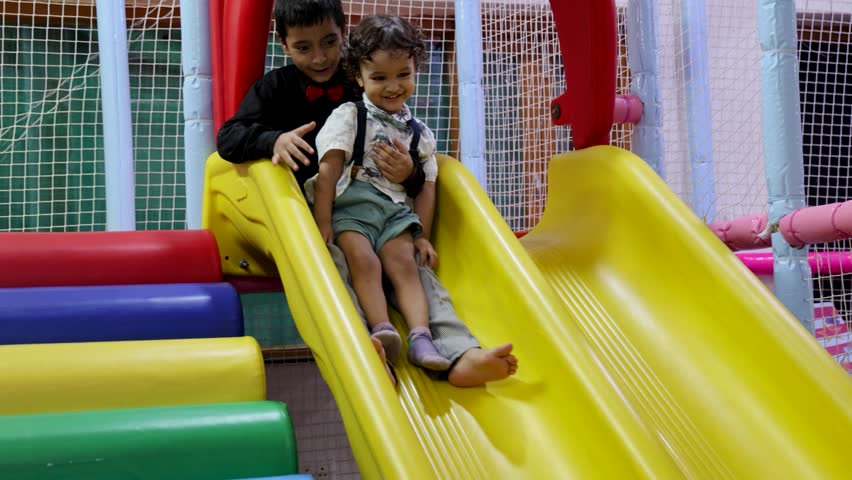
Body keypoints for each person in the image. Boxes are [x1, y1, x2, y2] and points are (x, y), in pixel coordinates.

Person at [218, 0, 517, 386]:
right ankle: (366, 345)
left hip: (383, 205)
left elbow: (418, 168)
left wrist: (411, 177)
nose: (321, 57)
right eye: (304, 47)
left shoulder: (368, 77)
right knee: (336, 265)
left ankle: (460, 352)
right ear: (283, 44)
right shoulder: (276, 87)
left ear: (345, 34)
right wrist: (273, 140)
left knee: (419, 273)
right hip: (316, 212)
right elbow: (229, 137)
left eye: (329, 42)